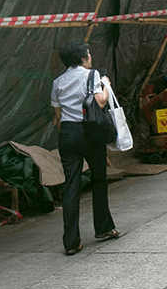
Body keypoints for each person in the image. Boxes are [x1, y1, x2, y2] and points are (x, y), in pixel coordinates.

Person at [51, 39, 120, 255]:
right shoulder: (93, 76)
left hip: (67, 135)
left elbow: (58, 117)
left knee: (71, 185)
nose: (90, 56)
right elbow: (99, 101)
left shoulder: (57, 82)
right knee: (99, 179)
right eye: (88, 54)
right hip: (89, 133)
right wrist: (105, 85)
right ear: (83, 58)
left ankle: (71, 242)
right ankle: (103, 228)